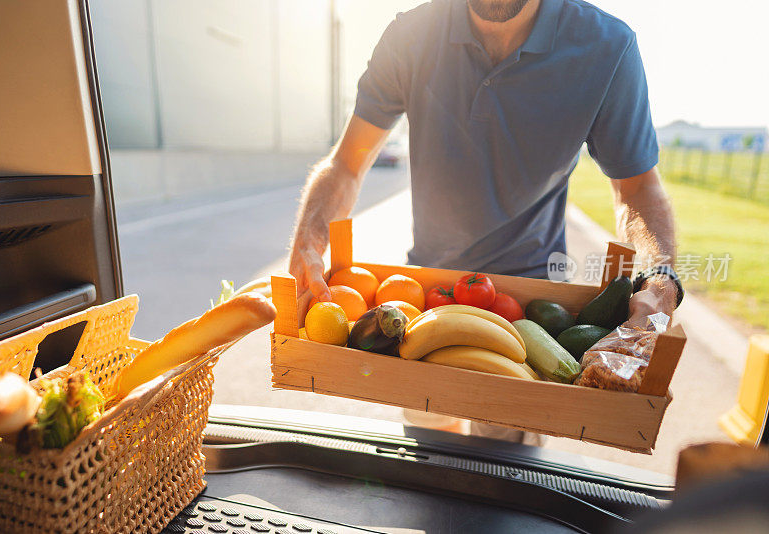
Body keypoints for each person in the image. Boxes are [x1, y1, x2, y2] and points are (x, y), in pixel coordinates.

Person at [288, 0, 683, 442]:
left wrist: (659, 276)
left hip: (532, 313)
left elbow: (637, 189)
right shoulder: (410, 35)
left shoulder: (607, 48)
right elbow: (347, 164)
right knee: (429, 458)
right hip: (423, 302)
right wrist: (309, 242)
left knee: (504, 482)